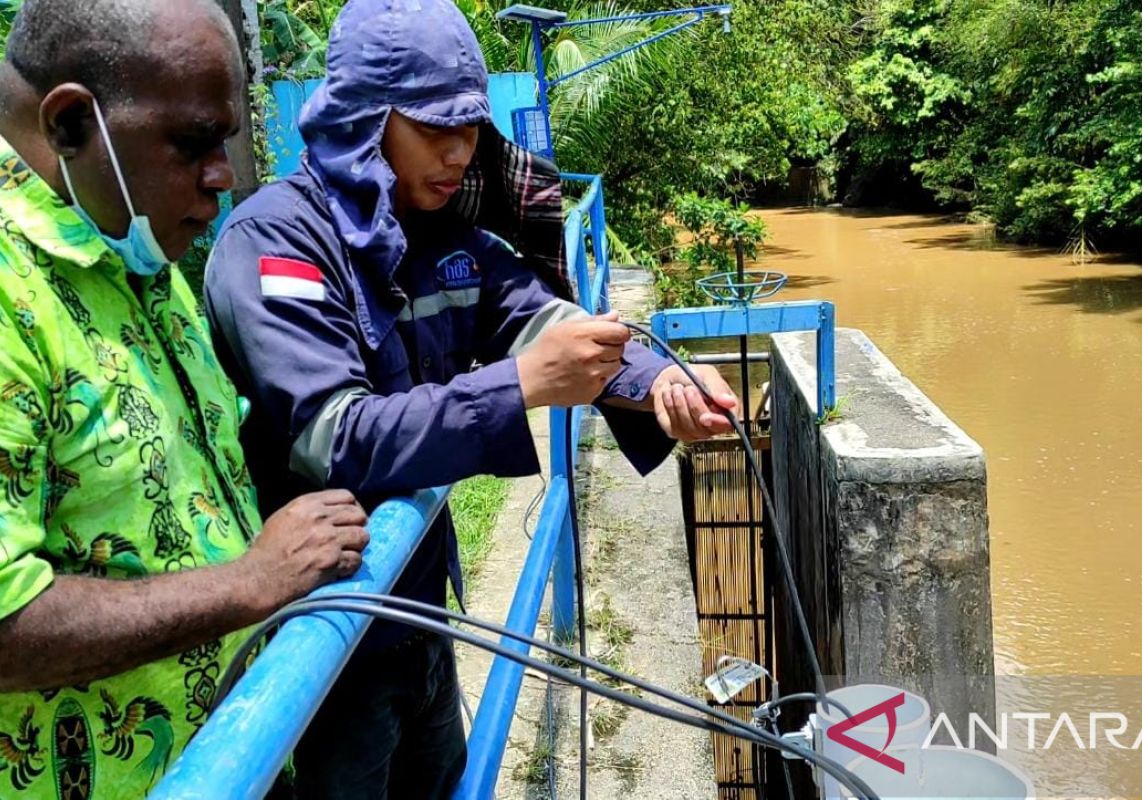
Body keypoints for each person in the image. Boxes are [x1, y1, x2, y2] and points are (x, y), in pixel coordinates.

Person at [203, 0, 742, 797]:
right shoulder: (277, 242)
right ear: (366, 119)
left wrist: (657, 381)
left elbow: (540, 316)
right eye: (433, 127)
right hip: (326, 638)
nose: (459, 152)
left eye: (471, 129)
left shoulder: (444, 236)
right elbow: (332, 435)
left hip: (421, 603)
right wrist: (522, 385)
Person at [0, 1, 371, 797]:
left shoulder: (124, 233)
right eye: (195, 144)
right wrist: (250, 583)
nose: (224, 176)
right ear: (70, 123)